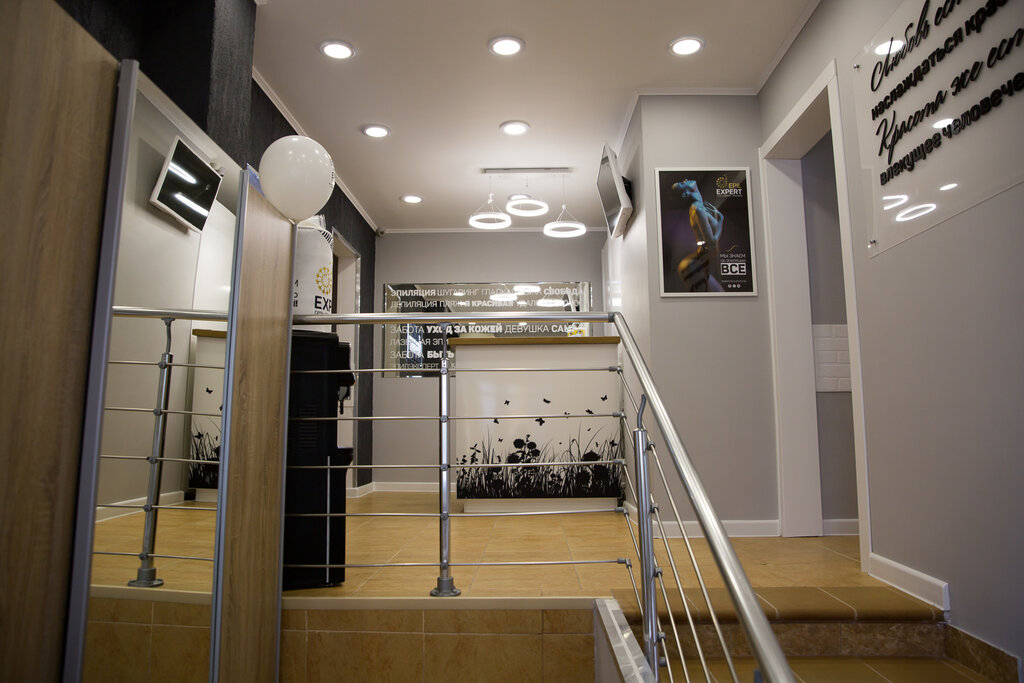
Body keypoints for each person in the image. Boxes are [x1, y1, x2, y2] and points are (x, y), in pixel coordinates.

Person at [671, 180, 724, 292]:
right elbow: (712, 247)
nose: (685, 180)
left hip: (698, 264)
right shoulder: (698, 209)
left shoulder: (698, 208)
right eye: (681, 183)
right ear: (686, 193)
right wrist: (720, 222)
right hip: (694, 265)